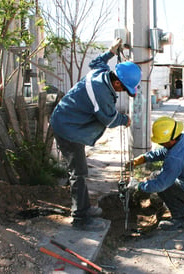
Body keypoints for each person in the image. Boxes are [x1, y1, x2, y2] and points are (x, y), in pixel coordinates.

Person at [50, 38, 142, 231]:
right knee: (79, 172)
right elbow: (108, 119)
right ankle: (80, 217)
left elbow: (96, 62)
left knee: (79, 170)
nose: (123, 92)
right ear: (116, 81)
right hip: (68, 128)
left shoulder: (101, 73)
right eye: (123, 88)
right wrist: (125, 120)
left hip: (69, 121)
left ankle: (83, 207)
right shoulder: (101, 92)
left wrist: (110, 52)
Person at [128, 116, 184, 231]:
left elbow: (161, 184)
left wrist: (138, 186)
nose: (161, 144)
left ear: (171, 140)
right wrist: (144, 158)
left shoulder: (175, 158)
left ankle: (181, 218)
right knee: (159, 177)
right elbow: (164, 151)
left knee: (160, 183)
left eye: (162, 142)